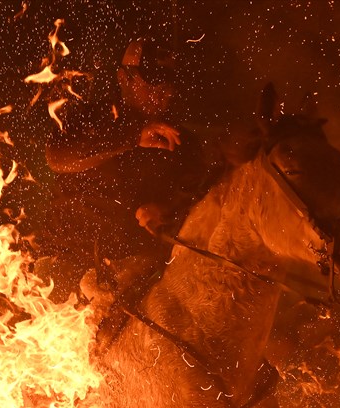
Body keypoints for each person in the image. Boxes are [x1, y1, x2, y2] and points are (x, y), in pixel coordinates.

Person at [38, 38, 223, 301]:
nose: (164, 90)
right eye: (153, 80)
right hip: (66, 264)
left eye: (169, 81)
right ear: (124, 79)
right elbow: (58, 157)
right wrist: (133, 136)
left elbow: (198, 200)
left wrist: (167, 210)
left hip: (137, 278)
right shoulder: (92, 117)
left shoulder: (181, 143)